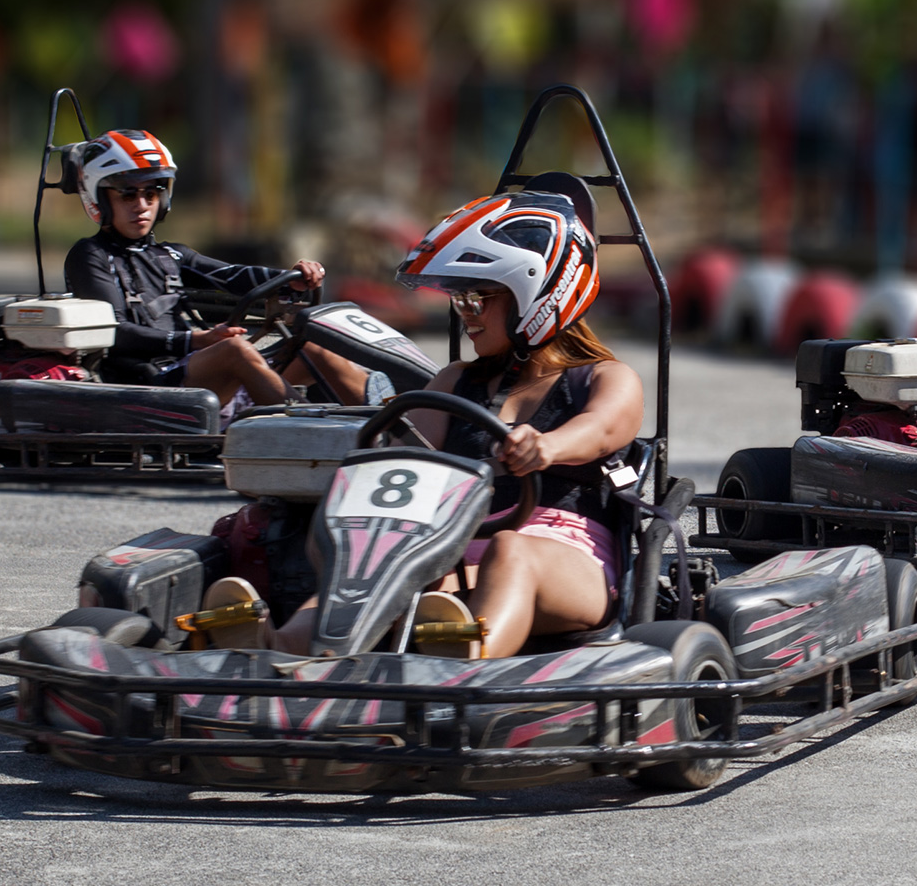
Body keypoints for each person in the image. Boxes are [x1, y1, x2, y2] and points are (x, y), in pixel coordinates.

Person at [267, 185, 641, 660]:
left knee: (510, 550)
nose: (465, 315)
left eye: (476, 300)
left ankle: (463, 669)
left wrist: (546, 446)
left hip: (566, 556)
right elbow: (408, 453)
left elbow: (603, 429)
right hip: (459, 545)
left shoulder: (606, 378)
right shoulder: (455, 380)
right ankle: (276, 653)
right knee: (377, 563)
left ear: (536, 296)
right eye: (459, 301)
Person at [61, 129, 377, 409]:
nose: (142, 205)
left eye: (151, 192)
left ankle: (392, 436)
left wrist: (288, 280)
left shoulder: (170, 254)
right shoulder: (90, 255)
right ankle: (316, 436)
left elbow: (230, 275)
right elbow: (114, 332)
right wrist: (196, 341)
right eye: (128, 193)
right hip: (147, 386)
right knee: (234, 350)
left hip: (196, 373)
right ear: (99, 198)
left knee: (312, 348)